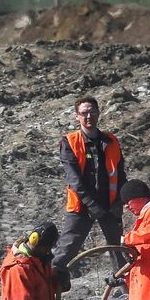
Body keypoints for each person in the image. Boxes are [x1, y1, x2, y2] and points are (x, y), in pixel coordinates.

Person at [51, 95, 125, 278]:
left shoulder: (111, 141)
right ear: (77, 116)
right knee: (66, 249)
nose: (88, 116)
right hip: (81, 206)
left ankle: (127, 292)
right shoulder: (69, 142)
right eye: (84, 113)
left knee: (118, 250)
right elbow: (74, 179)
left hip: (110, 204)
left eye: (92, 112)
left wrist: (119, 202)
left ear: (99, 113)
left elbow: (121, 174)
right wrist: (91, 205)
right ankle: (47, 286)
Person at [0, 221, 60, 300]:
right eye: (47, 248)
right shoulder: (18, 268)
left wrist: (59, 281)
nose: (49, 252)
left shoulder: (37, 261)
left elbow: (42, 287)